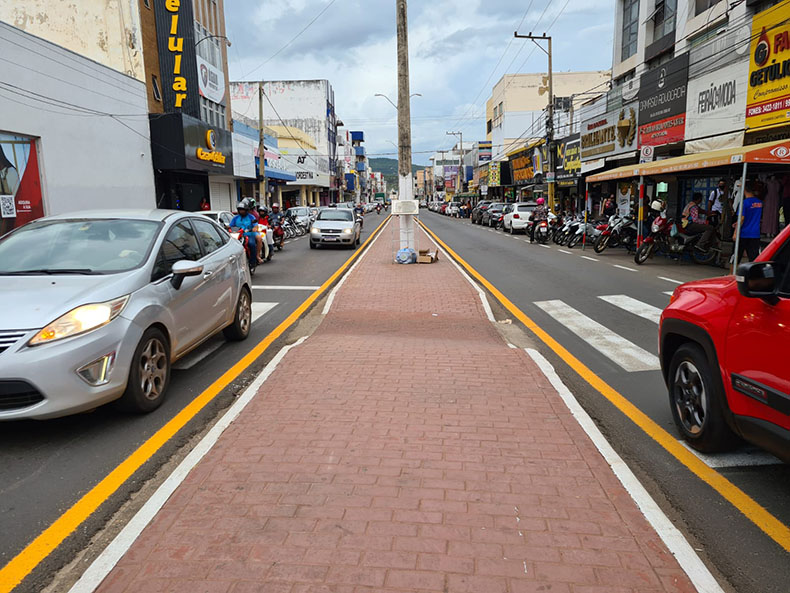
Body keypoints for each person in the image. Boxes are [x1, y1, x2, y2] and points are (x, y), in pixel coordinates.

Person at [735, 181, 764, 263]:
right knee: (754, 257)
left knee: (736, 255)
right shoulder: (759, 203)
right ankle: (754, 274)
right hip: (755, 234)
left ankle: (731, 273)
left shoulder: (744, 203)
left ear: (744, 189)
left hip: (743, 233)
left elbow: (742, 218)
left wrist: (735, 232)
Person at [229, 198, 264, 264]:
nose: (241, 211)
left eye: (243, 210)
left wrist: (254, 228)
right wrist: (225, 227)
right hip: (238, 235)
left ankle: (254, 259)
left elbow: (255, 225)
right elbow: (231, 225)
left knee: (252, 244)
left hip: (249, 234)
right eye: (240, 210)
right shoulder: (235, 218)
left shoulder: (251, 217)